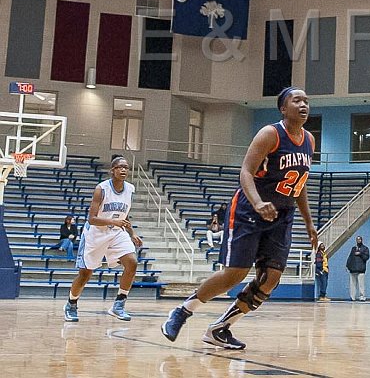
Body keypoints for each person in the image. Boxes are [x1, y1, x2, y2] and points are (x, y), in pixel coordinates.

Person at [161, 87, 317, 350]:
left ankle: (221, 328)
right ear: (283, 108)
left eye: (306, 100)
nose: (304, 105)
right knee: (235, 274)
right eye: (297, 100)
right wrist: (257, 203)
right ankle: (182, 311)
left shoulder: (309, 140)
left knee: (270, 279)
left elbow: (299, 184)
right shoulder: (270, 134)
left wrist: (310, 223)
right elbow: (245, 171)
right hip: (249, 210)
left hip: (282, 214)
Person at [63, 157, 142, 323]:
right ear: (112, 170)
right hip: (96, 233)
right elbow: (92, 219)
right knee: (85, 274)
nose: (123, 170)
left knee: (132, 262)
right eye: (120, 167)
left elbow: (124, 213)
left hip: (116, 232)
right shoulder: (102, 189)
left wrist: (132, 233)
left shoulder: (130, 189)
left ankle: (118, 305)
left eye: (126, 167)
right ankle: (71, 304)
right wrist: (114, 222)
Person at [346, 236, 370, 301]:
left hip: (361, 269)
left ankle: (362, 296)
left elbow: (366, 257)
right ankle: (352, 297)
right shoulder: (353, 249)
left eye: (359, 239)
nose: (358, 240)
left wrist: (360, 253)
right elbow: (350, 257)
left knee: (361, 285)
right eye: (357, 239)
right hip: (353, 269)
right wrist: (347, 265)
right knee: (352, 285)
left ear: (362, 240)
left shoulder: (365, 249)